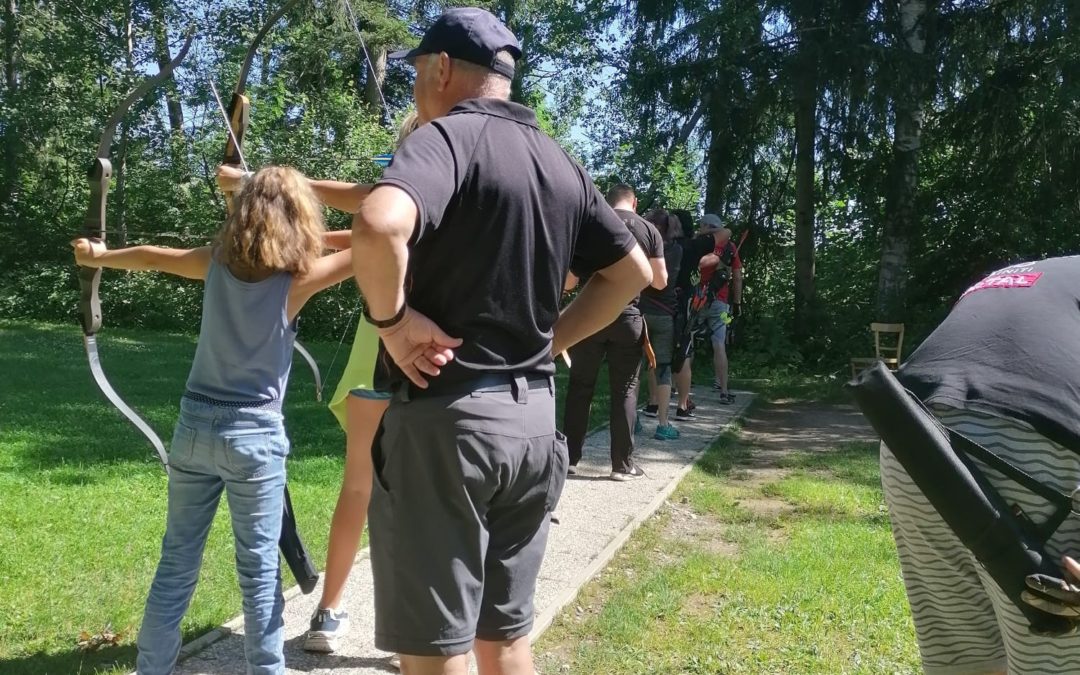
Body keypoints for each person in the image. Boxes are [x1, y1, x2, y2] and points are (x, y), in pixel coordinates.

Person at [347, 8, 652, 674]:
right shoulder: (559, 160)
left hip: (447, 426)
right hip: (535, 427)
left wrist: (394, 323)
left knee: (435, 649)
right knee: (506, 639)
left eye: (417, 74)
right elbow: (630, 272)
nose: (415, 91)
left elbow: (376, 225)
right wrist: (551, 339)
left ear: (443, 70)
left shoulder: (442, 139)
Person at [72, 167, 354, 675]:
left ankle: (151, 669)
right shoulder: (299, 278)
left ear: (244, 215)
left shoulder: (215, 264)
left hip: (194, 427)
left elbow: (152, 257)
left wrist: (100, 257)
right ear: (300, 219)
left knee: (177, 560)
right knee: (259, 568)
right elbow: (375, 239)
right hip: (253, 438)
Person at [885, 256, 1080, 674]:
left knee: (964, 664)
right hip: (1033, 441)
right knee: (1056, 654)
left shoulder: (1029, 273)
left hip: (910, 434)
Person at [301, 112, 421, 656]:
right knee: (394, 491)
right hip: (407, 360)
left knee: (380, 489)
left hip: (402, 359)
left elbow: (361, 206)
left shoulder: (422, 185)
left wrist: (274, 185)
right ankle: (356, 617)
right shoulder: (434, 187)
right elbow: (360, 211)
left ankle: (337, 615)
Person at [563, 184, 666, 475]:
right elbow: (660, 281)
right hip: (628, 319)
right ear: (634, 202)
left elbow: (569, 281)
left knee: (580, 388)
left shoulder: (592, 224)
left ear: (607, 202)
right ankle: (621, 466)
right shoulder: (648, 229)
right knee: (625, 390)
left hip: (589, 319)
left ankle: (569, 460)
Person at [683, 214, 742, 404]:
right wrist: (737, 303)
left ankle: (681, 386)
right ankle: (723, 390)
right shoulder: (730, 247)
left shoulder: (698, 244)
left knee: (688, 341)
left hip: (696, 299)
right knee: (719, 343)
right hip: (721, 303)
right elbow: (737, 277)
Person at [640, 208, 683, 440]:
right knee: (664, 368)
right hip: (665, 315)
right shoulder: (676, 250)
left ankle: (631, 420)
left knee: (633, 369)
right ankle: (663, 424)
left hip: (640, 313)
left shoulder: (642, 249)